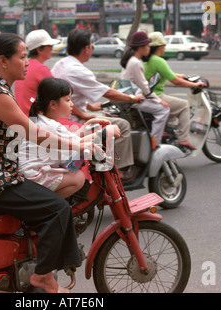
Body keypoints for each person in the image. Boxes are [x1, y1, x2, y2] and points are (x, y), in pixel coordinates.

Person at [0, 33, 97, 293]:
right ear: (3, 61)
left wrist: (76, 138)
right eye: (22, 57)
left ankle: (32, 259)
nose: (27, 63)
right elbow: (34, 133)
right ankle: (43, 277)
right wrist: (77, 146)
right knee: (58, 210)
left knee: (49, 202)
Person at [51, 28, 145, 183]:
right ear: (86, 48)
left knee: (105, 118)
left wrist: (91, 107)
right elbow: (107, 92)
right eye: (91, 45)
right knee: (122, 125)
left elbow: (69, 96)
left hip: (62, 116)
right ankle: (118, 172)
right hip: (73, 120)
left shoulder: (60, 64)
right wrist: (132, 98)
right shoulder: (79, 70)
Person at [18, 77, 119, 199]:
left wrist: (85, 128)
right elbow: (79, 144)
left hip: (28, 175)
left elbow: (69, 141)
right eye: (68, 100)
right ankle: (50, 205)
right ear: (53, 104)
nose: (72, 105)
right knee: (78, 178)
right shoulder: (51, 126)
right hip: (36, 177)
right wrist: (107, 131)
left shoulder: (42, 121)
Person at [143, 31, 206, 151]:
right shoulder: (158, 60)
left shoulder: (148, 60)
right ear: (160, 47)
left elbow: (166, 74)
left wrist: (179, 75)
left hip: (146, 96)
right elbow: (176, 82)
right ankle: (183, 139)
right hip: (156, 96)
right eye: (164, 45)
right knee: (183, 105)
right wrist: (195, 84)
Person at [120, 31, 170, 145]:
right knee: (164, 109)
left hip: (130, 96)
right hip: (133, 99)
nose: (149, 48)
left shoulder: (131, 60)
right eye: (147, 45)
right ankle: (155, 141)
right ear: (140, 47)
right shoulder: (136, 62)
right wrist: (159, 100)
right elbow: (145, 87)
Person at [14, 29, 60, 116]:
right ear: (40, 50)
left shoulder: (24, 66)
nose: (52, 48)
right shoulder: (42, 69)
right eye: (49, 45)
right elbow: (58, 97)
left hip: (22, 117)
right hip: (34, 119)